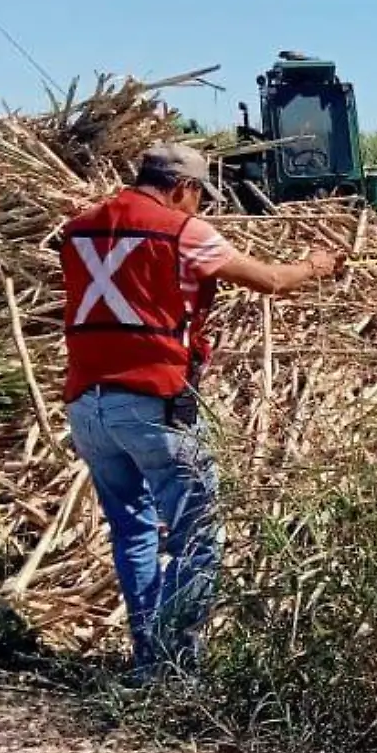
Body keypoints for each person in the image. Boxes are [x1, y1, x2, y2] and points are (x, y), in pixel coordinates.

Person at [59, 142, 344, 681]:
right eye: (198, 196)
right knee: (197, 534)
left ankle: (147, 659)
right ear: (184, 188)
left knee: (132, 530)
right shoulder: (183, 231)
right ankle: (174, 666)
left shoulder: (78, 229)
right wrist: (317, 265)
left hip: (87, 405)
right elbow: (271, 280)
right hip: (153, 402)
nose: (199, 206)